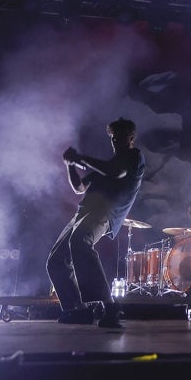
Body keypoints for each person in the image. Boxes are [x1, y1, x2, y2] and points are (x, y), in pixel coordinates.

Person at [46, 117, 145, 328]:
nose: (115, 142)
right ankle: (77, 310)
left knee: (80, 241)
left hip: (105, 213)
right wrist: (71, 165)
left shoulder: (134, 157)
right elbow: (79, 188)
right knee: (55, 261)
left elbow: (115, 172)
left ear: (131, 138)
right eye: (113, 139)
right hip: (82, 213)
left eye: (120, 138)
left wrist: (80, 158)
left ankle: (109, 306)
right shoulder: (105, 167)